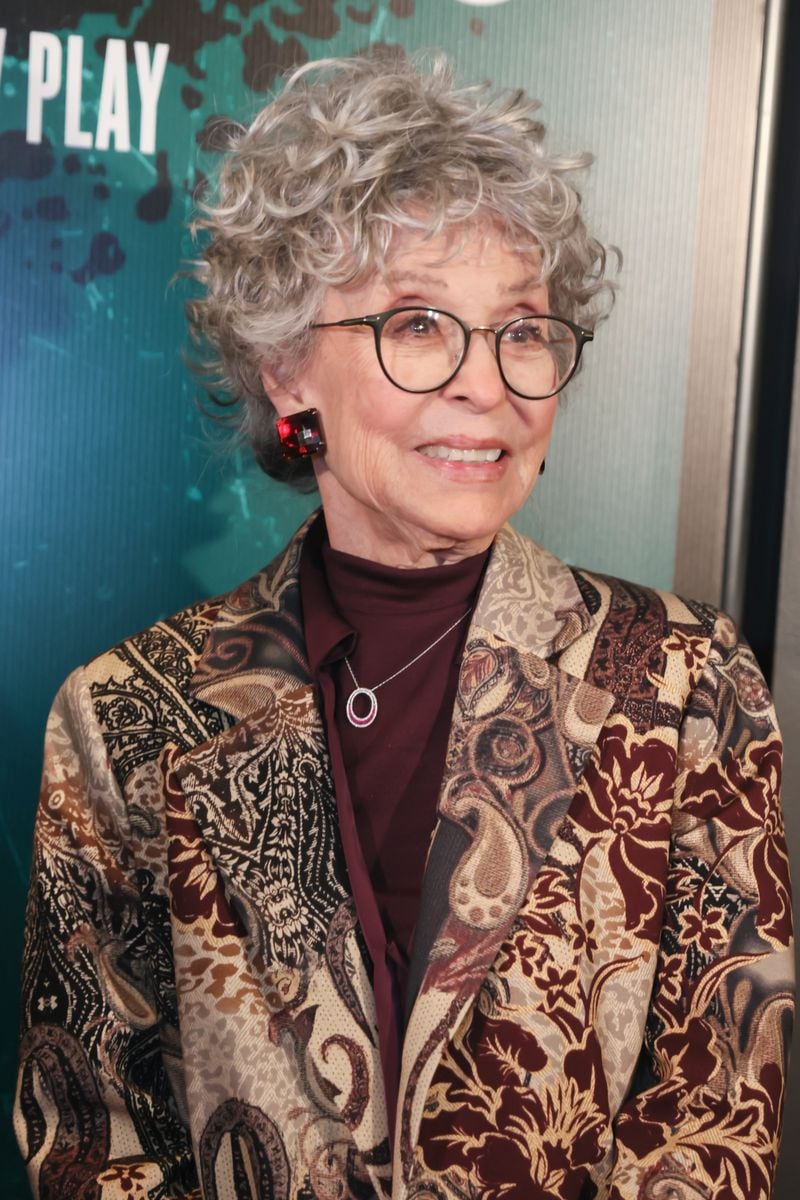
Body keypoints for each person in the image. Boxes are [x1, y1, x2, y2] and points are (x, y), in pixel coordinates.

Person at [15, 50, 793, 1200]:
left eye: (522, 331)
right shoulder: (126, 714)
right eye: (419, 325)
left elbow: (716, 1123)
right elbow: (92, 1144)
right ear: (287, 371)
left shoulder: (683, 681)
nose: (487, 382)